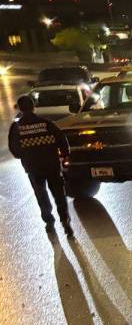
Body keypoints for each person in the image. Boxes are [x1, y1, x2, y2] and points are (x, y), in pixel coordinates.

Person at [8, 95, 73, 239]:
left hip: (33, 168)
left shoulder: (17, 128)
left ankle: (49, 221)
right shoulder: (46, 123)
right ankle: (65, 221)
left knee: (41, 195)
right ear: (33, 107)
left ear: (20, 108)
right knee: (59, 194)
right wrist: (64, 156)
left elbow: (15, 150)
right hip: (52, 165)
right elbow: (62, 140)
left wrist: (27, 155)